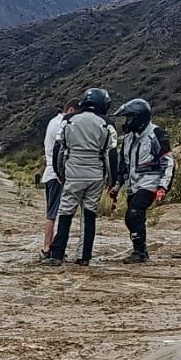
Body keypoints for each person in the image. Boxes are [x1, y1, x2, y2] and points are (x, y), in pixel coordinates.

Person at [44, 88, 118, 267]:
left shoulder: (69, 120)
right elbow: (111, 154)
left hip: (73, 174)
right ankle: (84, 256)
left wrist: (60, 172)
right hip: (95, 176)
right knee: (89, 215)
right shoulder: (107, 124)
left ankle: (57, 254)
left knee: (65, 212)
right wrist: (111, 180)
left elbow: (59, 150)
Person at [110, 98, 176, 264]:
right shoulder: (127, 139)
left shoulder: (157, 135)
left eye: (129, 118)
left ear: (139, 117)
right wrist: (117, 186)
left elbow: (168, 162)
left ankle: (139, 252)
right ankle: (140, 249)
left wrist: (163, 187)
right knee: (129, 217)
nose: (127, 122)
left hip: (150, 181)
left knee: (134, 213)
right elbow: (123, 165)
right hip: (134, 183)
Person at [39, 100, 75, 260]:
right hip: (56, 175)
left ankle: (49, 247)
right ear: (71, 110)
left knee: (53, 212)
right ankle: (48, 248)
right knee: (53, 213)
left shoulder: (53, 122)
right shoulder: (61, 124)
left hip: (51, 173)